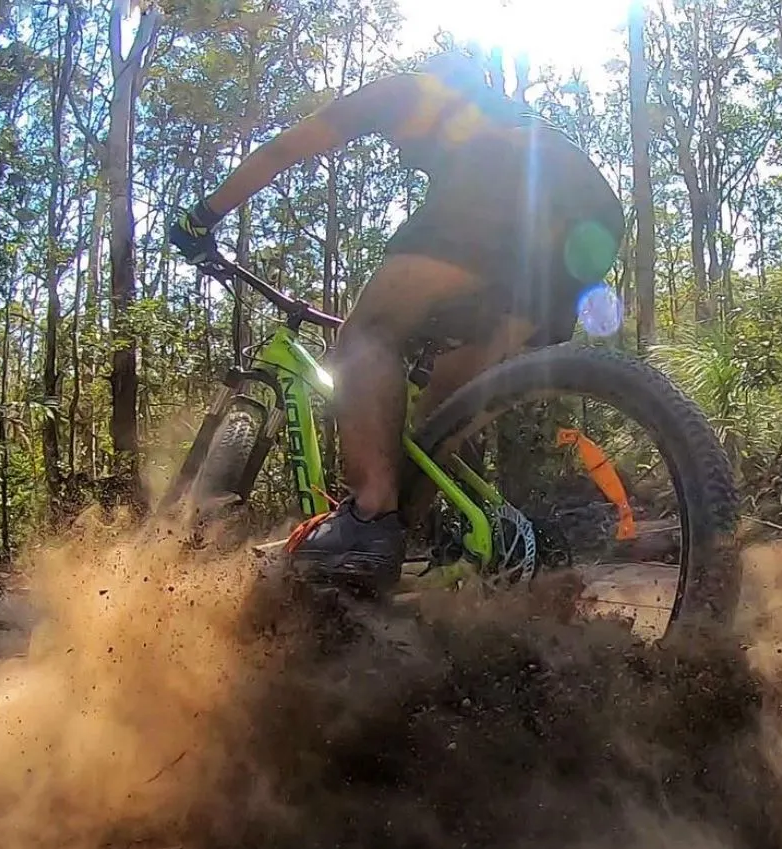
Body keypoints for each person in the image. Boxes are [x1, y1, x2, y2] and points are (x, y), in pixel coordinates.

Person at [169, 49, 624, 592]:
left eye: (395, 141)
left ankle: (368, 515)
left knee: (368, 333)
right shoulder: (505, 116)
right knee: (444, 415)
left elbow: (290, 146)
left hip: (503, 192)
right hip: (590, 224)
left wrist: (203, 218)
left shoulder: (406, 91)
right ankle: (465, 548)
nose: (399, 152)